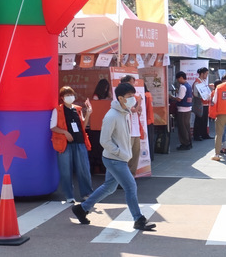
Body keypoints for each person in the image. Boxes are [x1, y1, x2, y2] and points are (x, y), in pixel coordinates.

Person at [71, 82, 156, 231]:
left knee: (109, 187)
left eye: (133, 95)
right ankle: (138, 219)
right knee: (130, 186)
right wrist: (119, 152)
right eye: (130, 96)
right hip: (115, 159)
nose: (133, 98)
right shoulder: (112, 116)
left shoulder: (125, 113)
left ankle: (82, 208)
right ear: (121, 98)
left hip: (117, 158)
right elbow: (104, 140)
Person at [50, 86, 94, 202]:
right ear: (62, 98)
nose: (70, 97)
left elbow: (82, 126)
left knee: (84, 169)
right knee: (66, 170)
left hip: (79, 142)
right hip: (64, 144)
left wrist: (88, 114)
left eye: (71, 95)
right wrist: (65, 132)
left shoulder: (78, 109)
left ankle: (87, 193)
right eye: (67, 95)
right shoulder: (58, 110)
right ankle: (69, 195)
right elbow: (53, 127)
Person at [120, 75, 146, 174]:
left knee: (135, 155)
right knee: (126, 156)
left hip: (136, 130)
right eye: (131, 82)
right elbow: (132, 110)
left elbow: (137, 111)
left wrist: (139, 106)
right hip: (127, 131)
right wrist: (138, 103)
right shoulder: (122, 98)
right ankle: (124, 177)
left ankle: (132, 176)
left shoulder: (134, 97)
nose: (133, 84)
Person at [171, 71, 193, 151]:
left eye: (178, 79)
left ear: (181, 78)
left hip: (182, 109)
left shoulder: (183, 87)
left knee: (182, 128)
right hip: (188, 109)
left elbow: (179, 99)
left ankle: (185, 143)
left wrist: (171, 97)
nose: (177, 80)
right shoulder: (188, 85)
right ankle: (189, 143)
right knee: (186, 127)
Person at [192, 67, 212, 141]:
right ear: (202, 74)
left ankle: (204, 134)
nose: (207, 75)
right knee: (199, 119)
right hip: (200, 103)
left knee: (204, 120)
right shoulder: (197, 82)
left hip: (205, 103)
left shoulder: (203, 81)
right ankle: (197, 135)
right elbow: (195, 94)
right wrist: (203, 96)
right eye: (206, 74)